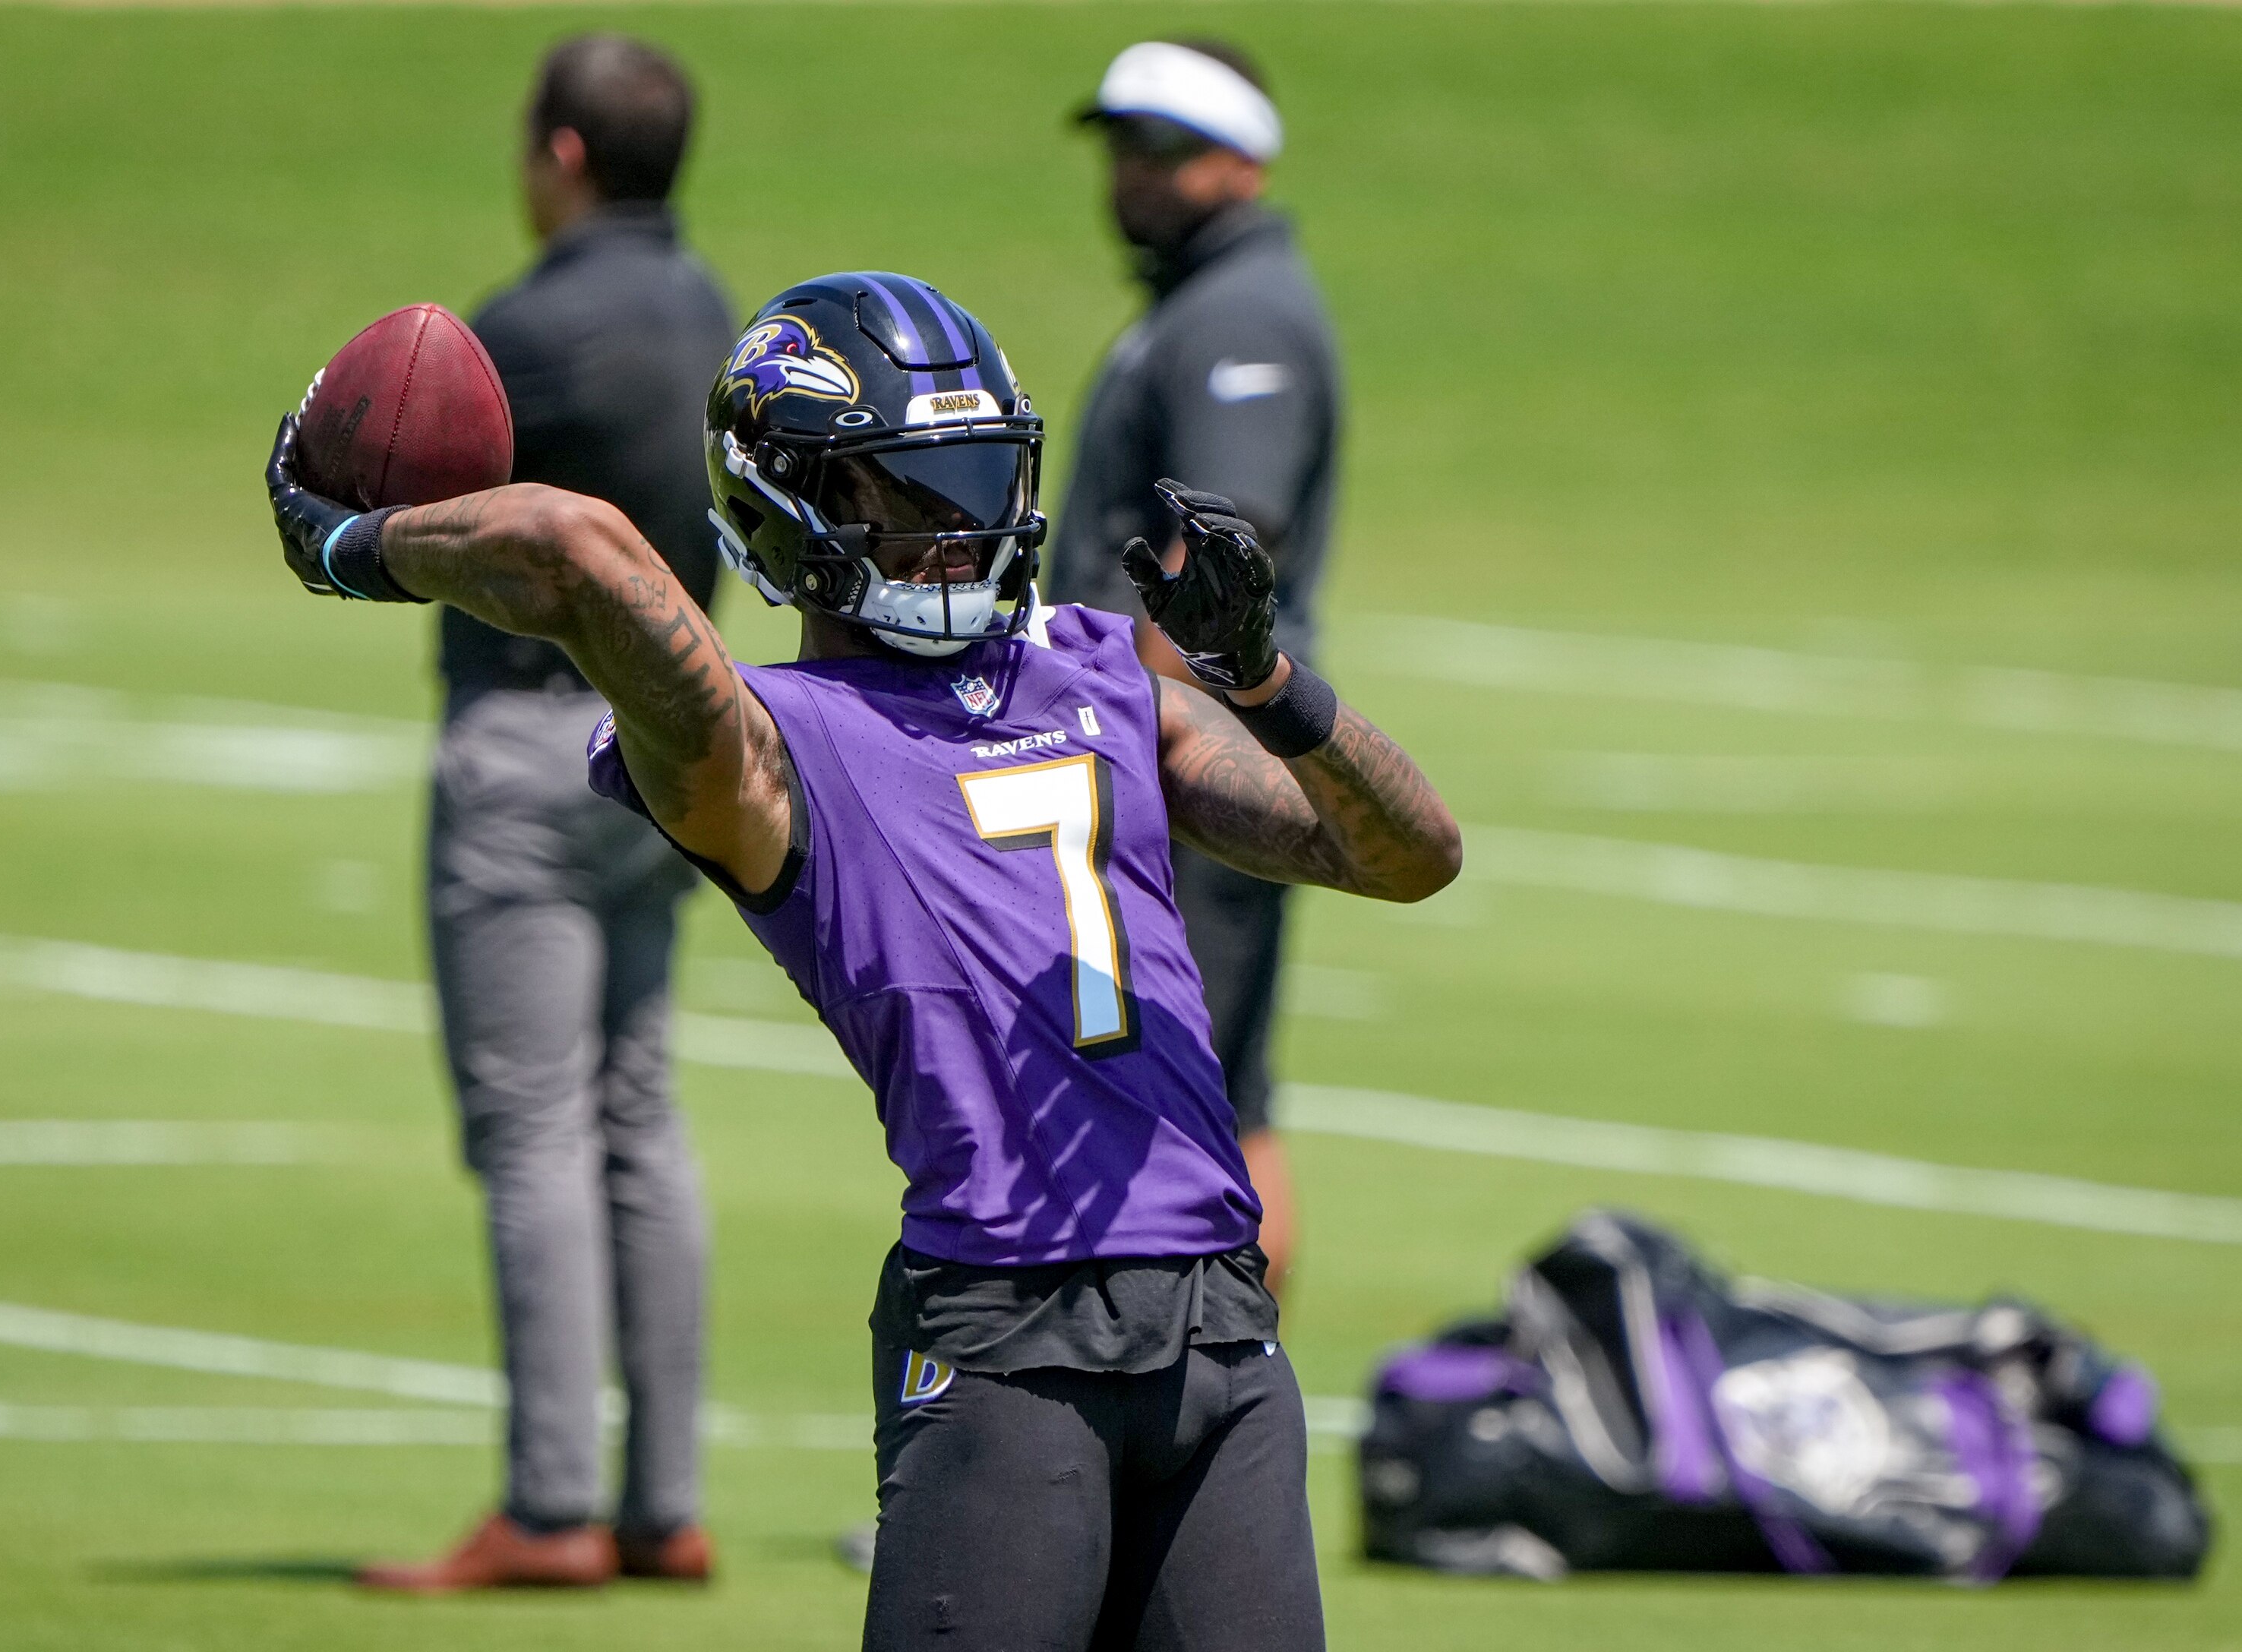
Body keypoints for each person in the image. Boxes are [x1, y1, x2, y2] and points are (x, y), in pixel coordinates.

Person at [267, 272, 1459, 1650]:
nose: (955, 536)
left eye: (972, 483)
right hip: (1012, 1342)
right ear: (788, 504)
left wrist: (1271, 681)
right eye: (905, 495)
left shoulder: (1102, 669)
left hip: (1220, 1333)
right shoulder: (763, 750)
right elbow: (580, 548)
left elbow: (1410, 855)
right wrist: (352, 542)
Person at [355, 34, 737, 1594]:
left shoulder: (518, 331)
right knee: (638, 1108)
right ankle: (665, 1501)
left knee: (533, 1128)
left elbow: (418, 498)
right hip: (669, 740)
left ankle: (551, 1500)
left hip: (523, 746)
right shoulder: (708, 307)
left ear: (563, 156)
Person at [1049, 39, 1342, 1297]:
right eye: (1122, 144)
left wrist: (1143, 750)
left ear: (1245, 159)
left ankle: (1217, 1418)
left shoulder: (1242, 314)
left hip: (1194, 771)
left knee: (1192, 1111)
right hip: (1188, 758)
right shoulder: (1200, 302)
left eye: (1164, 149)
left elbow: (1220, 554)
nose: (1133, 173)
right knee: (1228, 1097)